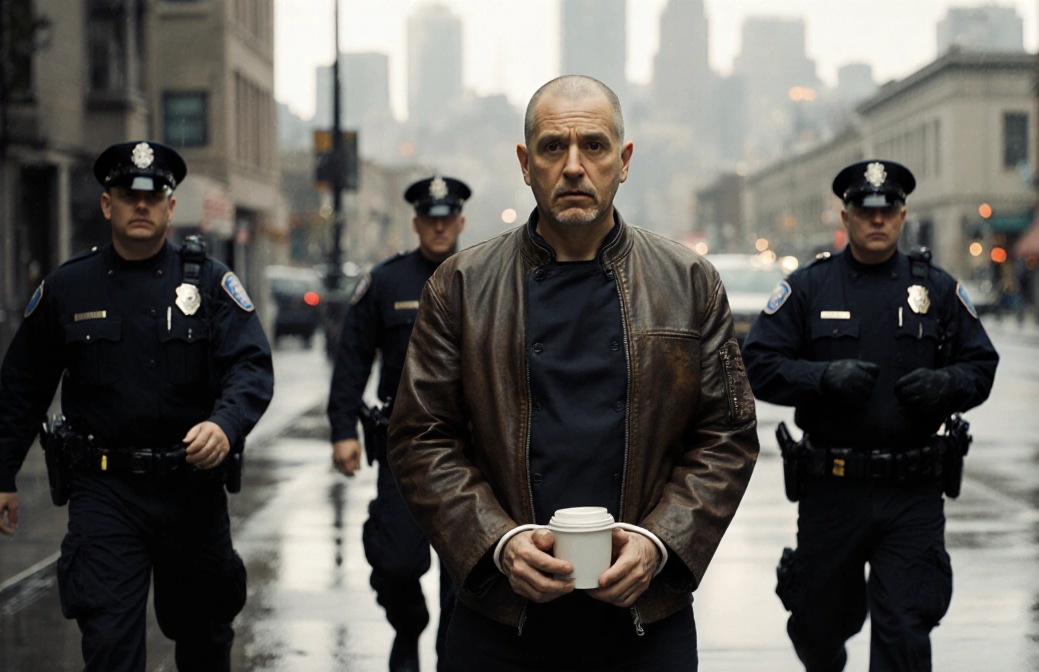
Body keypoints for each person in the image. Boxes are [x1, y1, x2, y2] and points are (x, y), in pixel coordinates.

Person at [384, 75, 760, 672]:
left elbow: (727, 435)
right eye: (553, 148)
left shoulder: (689, 283)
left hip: (644, 617)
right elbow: (419, 436)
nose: (575, 167)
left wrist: (661, 541)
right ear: (524, 163)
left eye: (595, 145)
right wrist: (497, 543)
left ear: (625, 159)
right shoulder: (460, 286)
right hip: (500, 620)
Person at [0, 141, 274, 672]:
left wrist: (225, 423)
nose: (139, 205)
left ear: (170, 206)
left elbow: (251, 367)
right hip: (106, 491)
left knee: (205, 638)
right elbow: (23, 384)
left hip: (190, 487)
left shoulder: (210, 283)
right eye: (127, 195)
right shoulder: (69, 287)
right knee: (108, 642)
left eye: (152, 195)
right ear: (107, 205)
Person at [741, 159, 999, 672]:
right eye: (865, 210)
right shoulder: (810, 288)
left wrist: (945, 386)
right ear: (846, 216)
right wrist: (822, 378)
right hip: (832, 489)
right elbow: (758, 364)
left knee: (905, 631)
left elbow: (981, 365)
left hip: (912, 491)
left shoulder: (939, 290)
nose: (876, 219)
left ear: (903, 215)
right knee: (818, 625)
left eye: (888, 209)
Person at [327, 174, 470, 672]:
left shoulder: (484, 274)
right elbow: (352, 360)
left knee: (465, 570)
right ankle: (409, 625)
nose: (438, 227)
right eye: (430, 220)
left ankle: (448, 655)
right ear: (416, 223)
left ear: (460, 222)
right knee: (398, 561)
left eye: (447, 218)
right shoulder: (385, 282)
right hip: (404, 447)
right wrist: (343, 429)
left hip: (470, 449)